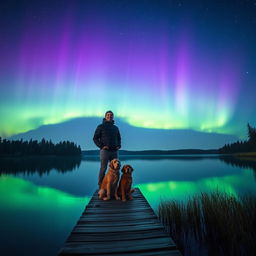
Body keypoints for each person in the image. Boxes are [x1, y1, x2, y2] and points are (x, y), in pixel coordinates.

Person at [93, 110, 121, 188]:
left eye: (111, 115)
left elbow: (119, 138)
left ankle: (115, 186)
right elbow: (95, 138)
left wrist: (119, 145)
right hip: (105, 151)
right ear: (105, 117)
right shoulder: (101, 126)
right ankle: (101, 186)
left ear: (113, 117)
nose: (109, 116)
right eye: (108, 115)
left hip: (114, 151)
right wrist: (102, 146)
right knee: (103, 168)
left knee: (116, 169)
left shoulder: (115, 128)